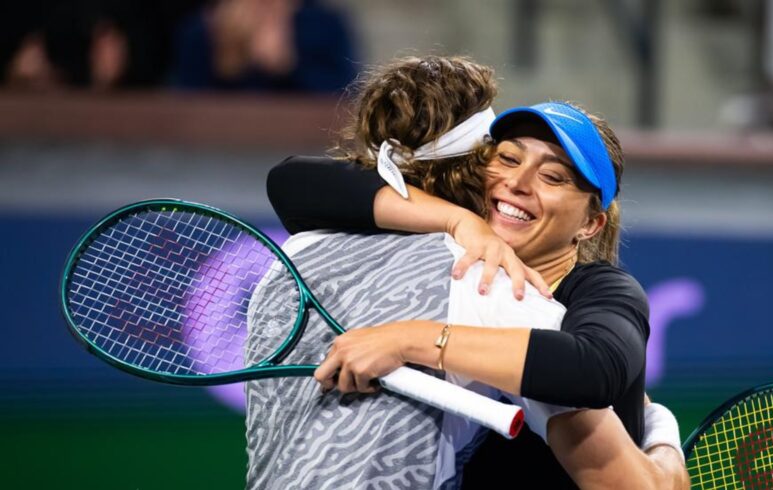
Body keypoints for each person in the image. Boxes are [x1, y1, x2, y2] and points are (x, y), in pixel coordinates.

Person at [257, 56, 688, 489]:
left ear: (590, 224)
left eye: (554, 177)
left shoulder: (586, 293)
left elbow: (594, 370)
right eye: (507, 158)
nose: (519, 182)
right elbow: (293, 181)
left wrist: (410, 338)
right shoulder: (462, 262)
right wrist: (461, 221)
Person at [172, 0, 359, 93]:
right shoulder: (205, 27)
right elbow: (179, 108)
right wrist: (227, 59)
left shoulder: (325, 25)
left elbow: (345, 98)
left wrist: (289, 69)